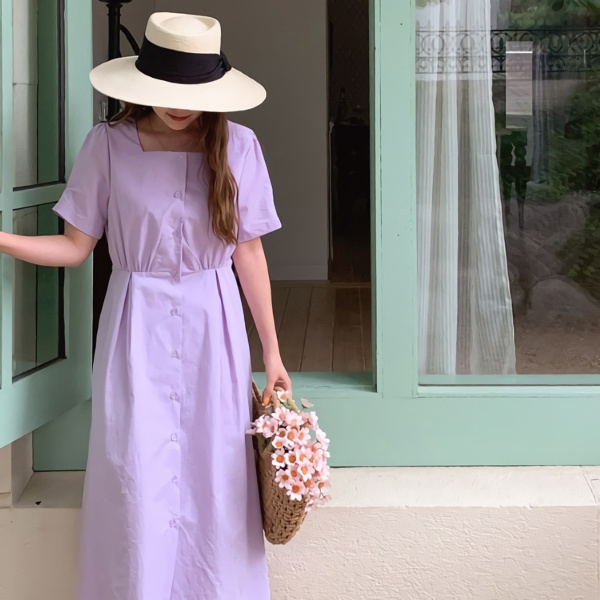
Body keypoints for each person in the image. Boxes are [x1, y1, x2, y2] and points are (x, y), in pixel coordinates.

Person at [0, 12, 290, 600]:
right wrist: (2, 239)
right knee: (135, 473)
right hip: (135, 326)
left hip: (214, 328)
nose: (178, 106)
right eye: (166, 89)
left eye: (190, 92)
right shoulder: (107, 146)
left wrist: (273, 354)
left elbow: (249, 253)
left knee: (216, 474)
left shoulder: (239, 146)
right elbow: (74, 247)